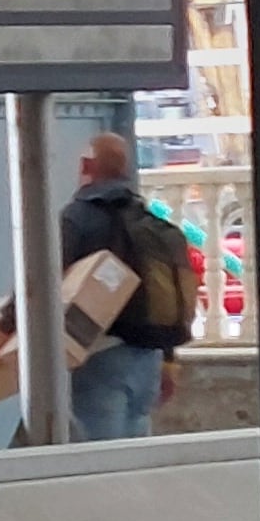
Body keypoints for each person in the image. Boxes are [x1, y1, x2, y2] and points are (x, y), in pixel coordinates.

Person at [60, 130, 197, 443]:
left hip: (100, 356)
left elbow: (41, 282)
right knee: (135, 458)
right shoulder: (144, 219)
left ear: (85, 165)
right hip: (147, 358)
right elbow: (157, 290)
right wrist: (168, 360)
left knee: (101, 462)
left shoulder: (79, 218)